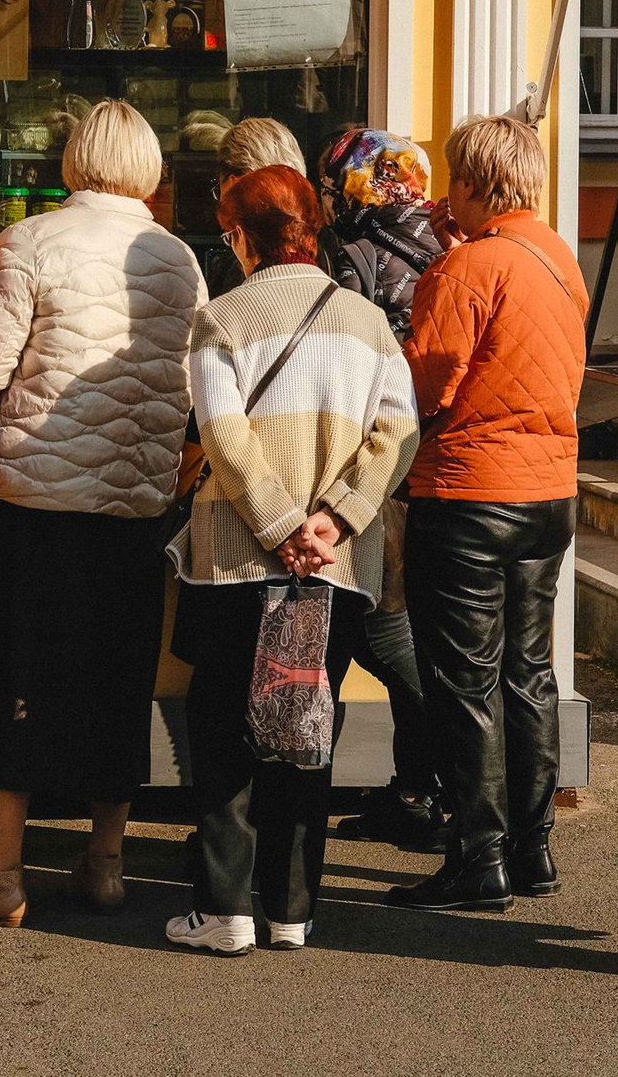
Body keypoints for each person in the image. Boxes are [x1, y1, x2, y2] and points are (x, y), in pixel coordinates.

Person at [0, 100, 208, 928]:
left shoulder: (30, 241)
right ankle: (105, 862)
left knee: (13, 678)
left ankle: (0, 872)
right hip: (136, 502)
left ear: (75, 157)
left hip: (35, 500)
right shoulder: (179, 257)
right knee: (119, 678)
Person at [162, 166, 420, 955]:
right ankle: (292, 909)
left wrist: (278, 525)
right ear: (311, 230)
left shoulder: (222, 318)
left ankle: (225, 909)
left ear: (242, 237)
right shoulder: (367, 323)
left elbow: (224, 435)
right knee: (308, 726)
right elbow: (398, 433)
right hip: (335, 567)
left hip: (234, 562)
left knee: (223, 727)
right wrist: (332, 520)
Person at [389, 113, 588, 913]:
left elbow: (425, 385)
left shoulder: (466, 267)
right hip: (548, 491)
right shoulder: (557, 257)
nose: (445, 193)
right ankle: (532, 848)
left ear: (473, 182)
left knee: (465, 682)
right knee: (528, 673)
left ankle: (479, 855)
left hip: (469, 492)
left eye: (453, 179)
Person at [313, 128, 450, 853]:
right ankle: (416, 788)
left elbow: (342, 356)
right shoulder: (448, 241)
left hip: (373, 459)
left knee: (379, 628)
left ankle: (434, 786)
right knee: (398, 623)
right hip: (433, 457)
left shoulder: (355, 251)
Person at [202, 117, 308, 297]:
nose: (221, 201)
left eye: (219, 186)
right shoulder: (322, 254)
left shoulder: (240, 275)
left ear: (236, 184)